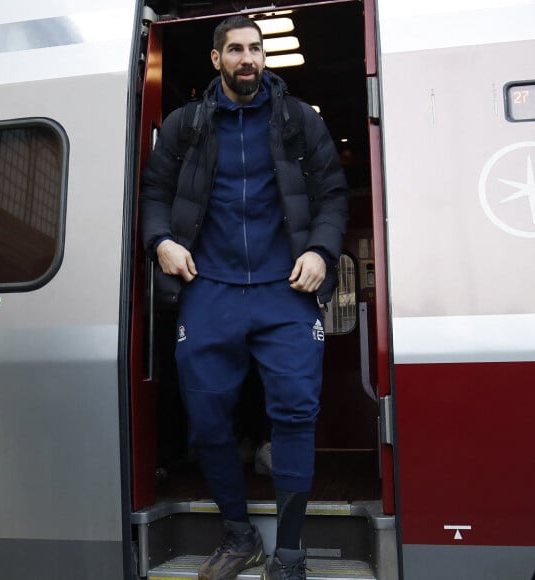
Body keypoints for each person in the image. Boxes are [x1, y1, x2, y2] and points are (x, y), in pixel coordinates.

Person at [140, 14, 348, 580]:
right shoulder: (187, 125)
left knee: (296, 416)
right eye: (235, 50)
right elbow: (153, 191)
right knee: (206, 421)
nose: (248, 59)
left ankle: (291, 553)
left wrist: (321, 253)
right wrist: (160, 241)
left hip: (286, 291)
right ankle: (239, 536)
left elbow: (332, 194)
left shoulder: (299, 121)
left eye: (255, 49)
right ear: (216, 60)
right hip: (210, 290)